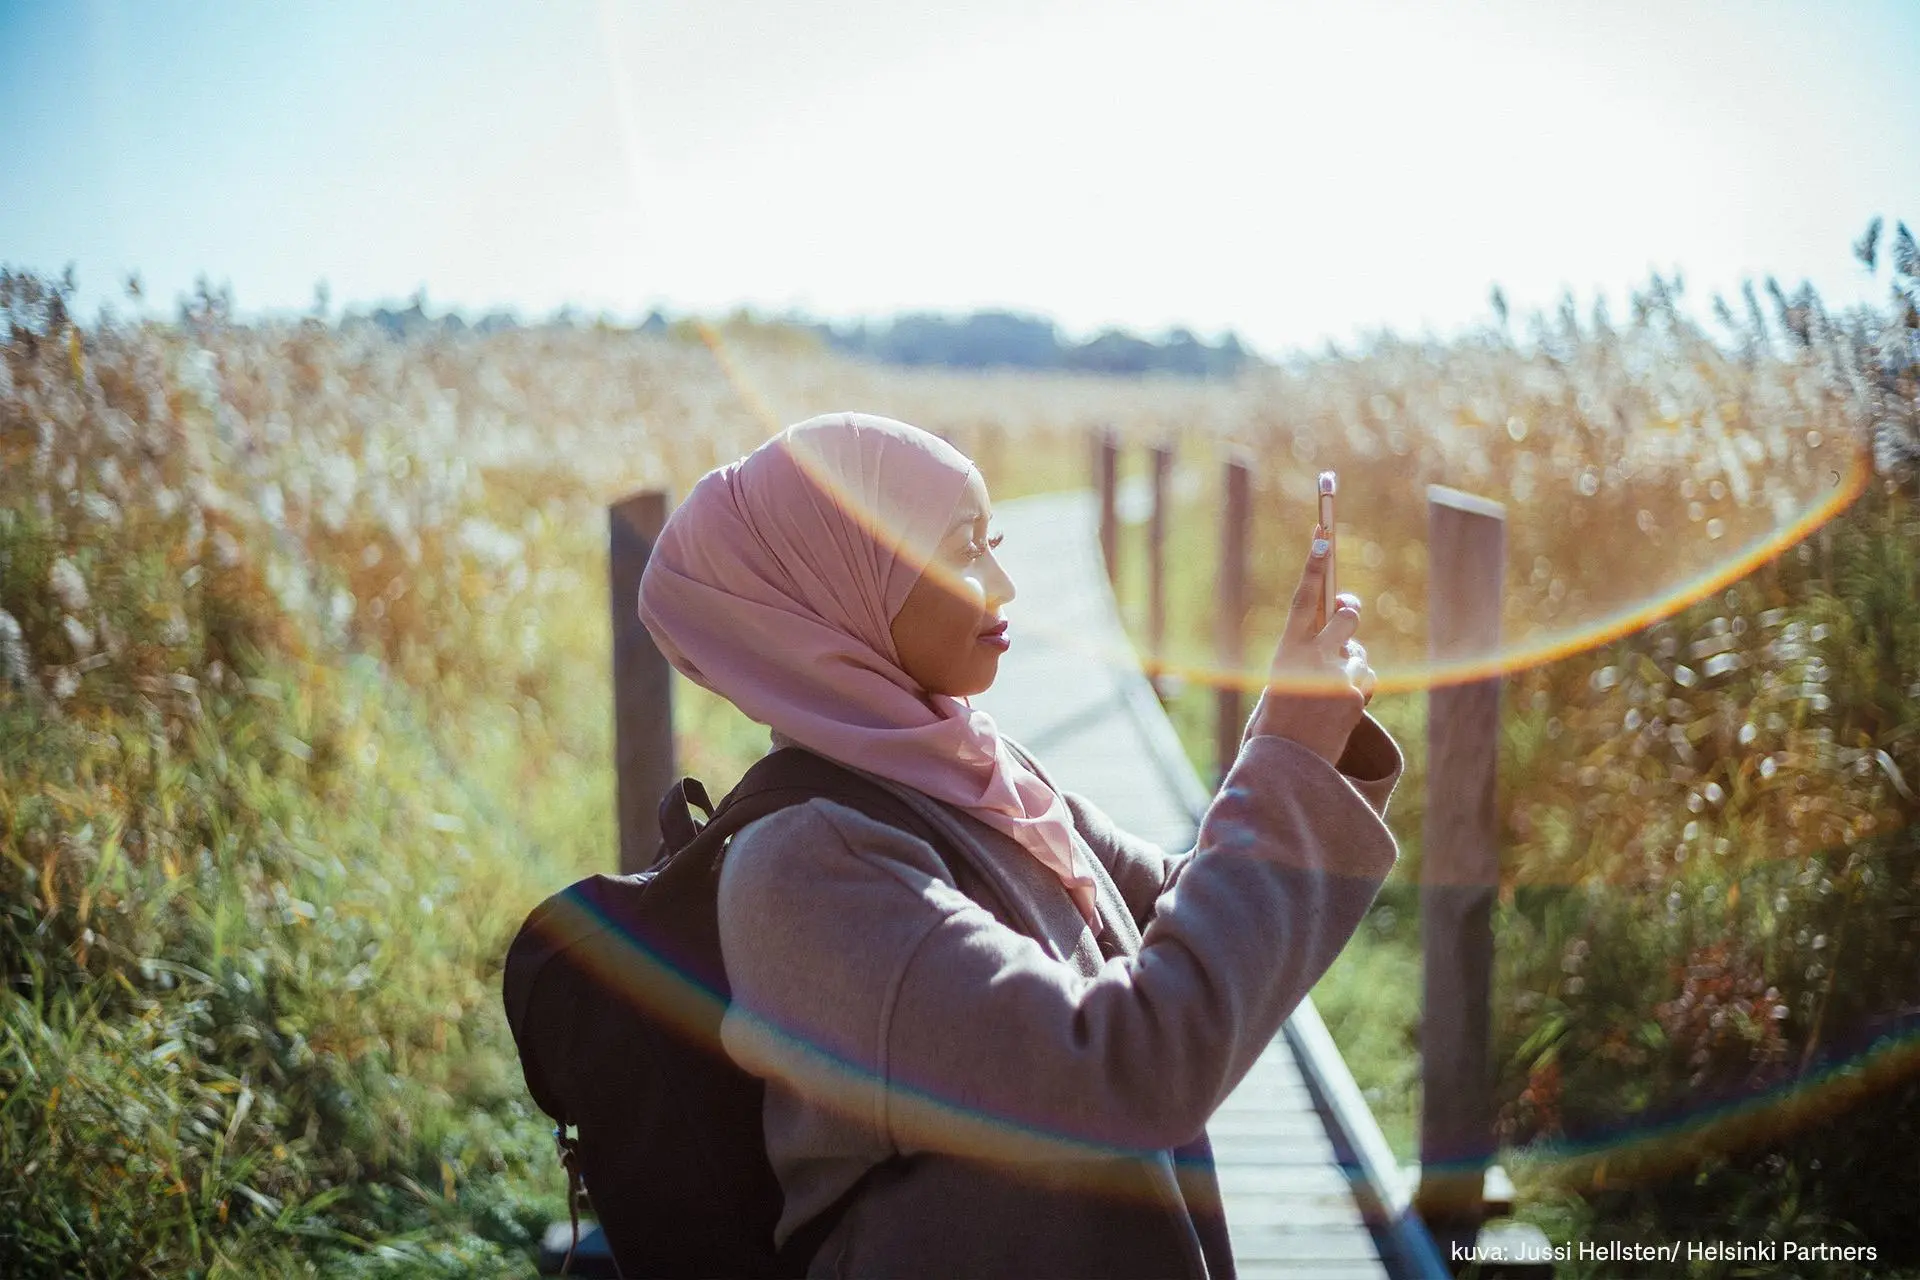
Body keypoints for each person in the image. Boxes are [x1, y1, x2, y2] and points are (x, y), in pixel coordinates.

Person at [637, 411, 1400, 1280]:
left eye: (991, 540)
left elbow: (1163, 911)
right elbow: (1123, 1072)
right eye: (963, 549)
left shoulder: (971, 768)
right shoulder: (812, 867)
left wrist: (1295, 740)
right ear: (842, 585)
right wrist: (1285, 762)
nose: (1003, 585)